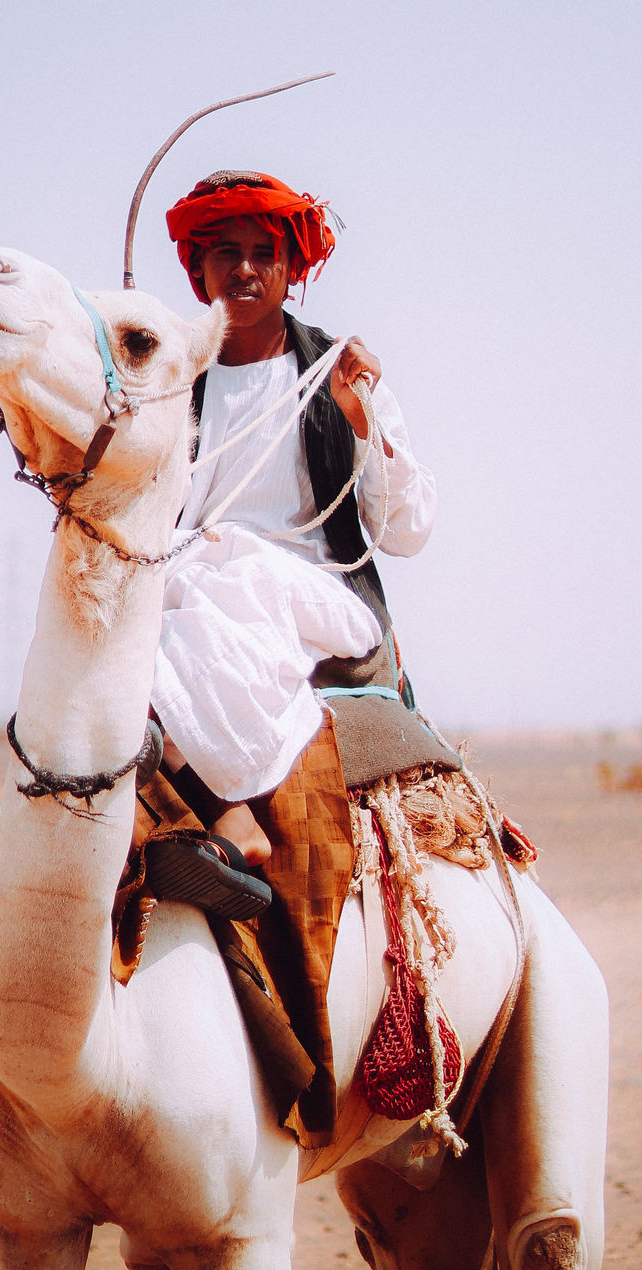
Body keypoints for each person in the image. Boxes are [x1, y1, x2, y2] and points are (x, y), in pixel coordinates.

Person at [140, 170, 437, 918]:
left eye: (262, 251)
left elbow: (407, 532)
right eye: (224, 251)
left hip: (314, 594)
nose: (243, 269)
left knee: (217, 576)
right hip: (186, 588)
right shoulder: (170, 385)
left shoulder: (337, 374)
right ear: (197, 268)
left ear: (290, 269)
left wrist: (359, 418)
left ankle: (226, 815)